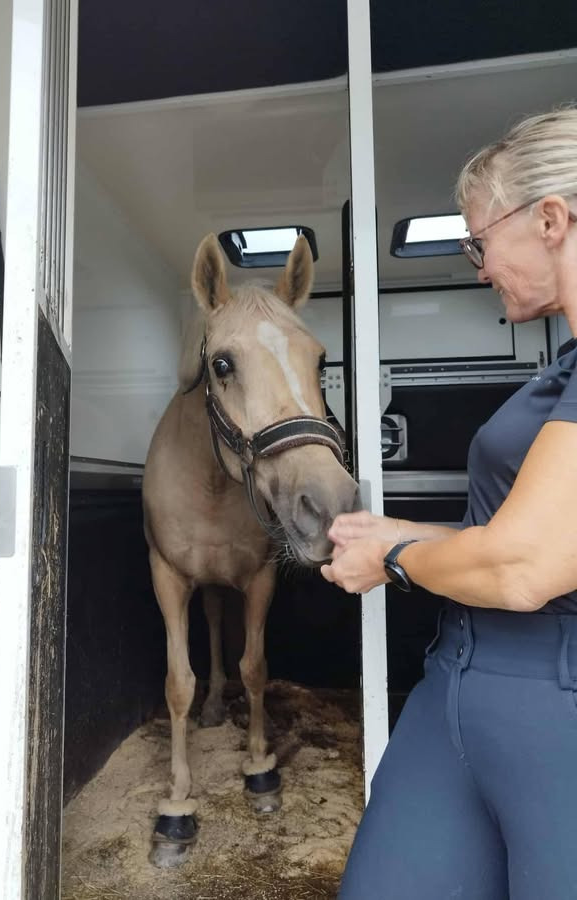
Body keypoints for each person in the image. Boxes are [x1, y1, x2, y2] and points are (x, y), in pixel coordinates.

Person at [321, 106, 577, 900]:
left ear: (549, 219)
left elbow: (527, 566)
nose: (477, 265)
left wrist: (391, 557)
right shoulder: (562, 369)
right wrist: (405, 528)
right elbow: (518, 533)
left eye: (478, 240)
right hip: (458, 676)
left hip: (554, 700)